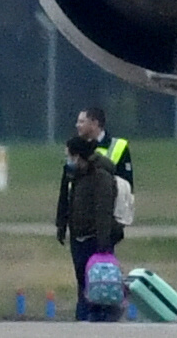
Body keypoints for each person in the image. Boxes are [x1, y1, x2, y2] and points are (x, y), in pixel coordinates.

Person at [56, 136, 119, 322]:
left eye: (70, 156)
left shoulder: (101, 177)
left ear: (79, 156)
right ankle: (84, 313)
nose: (68, 160)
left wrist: (103, 242)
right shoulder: (73, 175)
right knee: (82, 279)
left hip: (95, 237)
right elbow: (65, 199)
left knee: (98, 280)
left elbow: (103, 211)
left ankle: (100, 312)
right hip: (78, 235)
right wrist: (62, 225)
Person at [56, 107, 132, 249]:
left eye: (82, 121)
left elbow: (126, 189)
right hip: (79, 224)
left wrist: (116, 226)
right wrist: (62, 222)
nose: (77, 125)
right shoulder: (75, 146)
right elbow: (65, 189)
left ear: (94, 123)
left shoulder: (117, 147)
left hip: (104, 224)